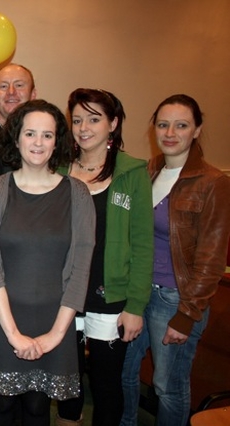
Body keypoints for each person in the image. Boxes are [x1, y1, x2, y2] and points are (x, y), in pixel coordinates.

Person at [0, 99, 95, 426]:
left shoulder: (78, 194)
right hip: (3, 321)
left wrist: (56, 335)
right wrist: (13, 334)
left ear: (58, 142)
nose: (38, 143)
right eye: (30, 133)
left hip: (54, 322)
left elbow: (80, 271)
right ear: (17, 138)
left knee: (38, 411)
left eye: (47, 135)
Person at [120, 94, 230, 426]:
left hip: (175, 300)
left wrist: (187, 315)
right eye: (163, 124)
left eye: (181, 125)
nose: (170, 133)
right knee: (124, 373)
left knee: (168, 386)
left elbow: (211, 258)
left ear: (196, 130)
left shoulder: (213, 183)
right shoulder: (149, 170)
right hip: (138, 293)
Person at [54, 89, 154, 426]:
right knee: (68, 381)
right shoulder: (60, 168)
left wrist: (135, 306)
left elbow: (142, 244)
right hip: (67, 294)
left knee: (106, 384)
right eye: (78, 119)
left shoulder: (131, 173)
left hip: (110, 299)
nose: (83, 127)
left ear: (113, 123)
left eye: (94, 119)